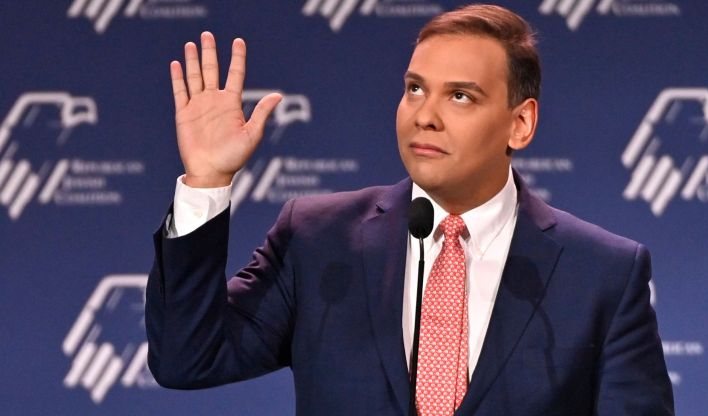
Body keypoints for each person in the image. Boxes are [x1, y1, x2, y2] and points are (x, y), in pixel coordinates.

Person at [146, 4, 674, 415]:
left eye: (460, 97)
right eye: (414, 89)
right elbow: (186, 359)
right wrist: (207, 180)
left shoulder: (602, 273)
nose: (425, 116)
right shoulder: (318, 239)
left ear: (521, 124)